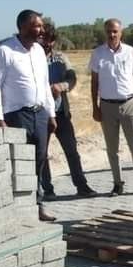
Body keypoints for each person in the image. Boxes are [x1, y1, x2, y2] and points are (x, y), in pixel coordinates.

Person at [0, 9, 58, 222]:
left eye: (41, 26)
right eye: (37, 26)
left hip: (40, 114)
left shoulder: (38, 50)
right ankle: (14, 207)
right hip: (16, 116)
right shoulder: (5, 51)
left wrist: (51, 114)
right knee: (18, 163)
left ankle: (36, 204)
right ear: (23, 27)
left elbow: (44, 84)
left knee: (39, 160)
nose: (41, 30)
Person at [89, 18, 133, 197]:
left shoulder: (130, 52)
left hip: (129, 103)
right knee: (112, 149)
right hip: (107, 106)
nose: (112, 34)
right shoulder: (98, 53)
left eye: (115, 31)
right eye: (109, 31)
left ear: (121, 32)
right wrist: (95, 106)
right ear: (105, 32)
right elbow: (94, 82)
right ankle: (117, 184)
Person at [40, 22, 97, 199]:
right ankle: (47, 190)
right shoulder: (30, 58)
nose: (47, 44)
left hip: (61, 113)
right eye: (44, 40)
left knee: (72, 151)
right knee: (42, 154)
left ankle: (82, 186)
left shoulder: (61, 58)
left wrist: (62, 86)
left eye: (50, 40)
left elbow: (72, 78)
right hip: (41, 115)